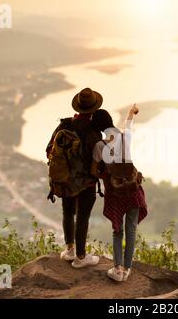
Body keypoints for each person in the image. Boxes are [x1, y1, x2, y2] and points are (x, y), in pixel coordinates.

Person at [46, 87, 103, 268]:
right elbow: (98, 163)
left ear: (78, 107)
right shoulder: (94, 133)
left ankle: (69, 250)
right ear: (93, 110)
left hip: (65, 181)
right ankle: (80, 257)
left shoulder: (64, 125)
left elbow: (49, 150)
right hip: (86, 183)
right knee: (83, 218)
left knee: (68, 212)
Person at [90, 105, 148, 282]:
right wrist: (131, 112)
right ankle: (128, 268)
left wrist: (105, 175)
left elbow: (94, 172)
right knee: (131, 230)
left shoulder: (100, 146)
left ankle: (118, 269)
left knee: (117, 231)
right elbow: (129, 125)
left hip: (115, 195)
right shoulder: (124, 137)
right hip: (132, 190)